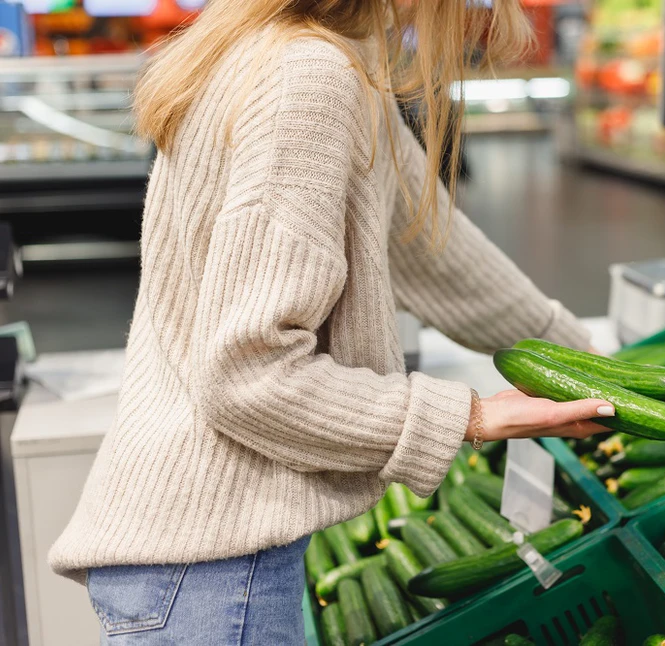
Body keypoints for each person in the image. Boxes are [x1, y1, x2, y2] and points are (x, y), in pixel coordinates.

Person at [49, 1, 615, 643]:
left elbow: (427, 240)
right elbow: (249, 373)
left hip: (197, 559)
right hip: (213, 575)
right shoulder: (308, 74)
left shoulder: (303, 47)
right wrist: (471, 417)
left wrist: (583, 358)